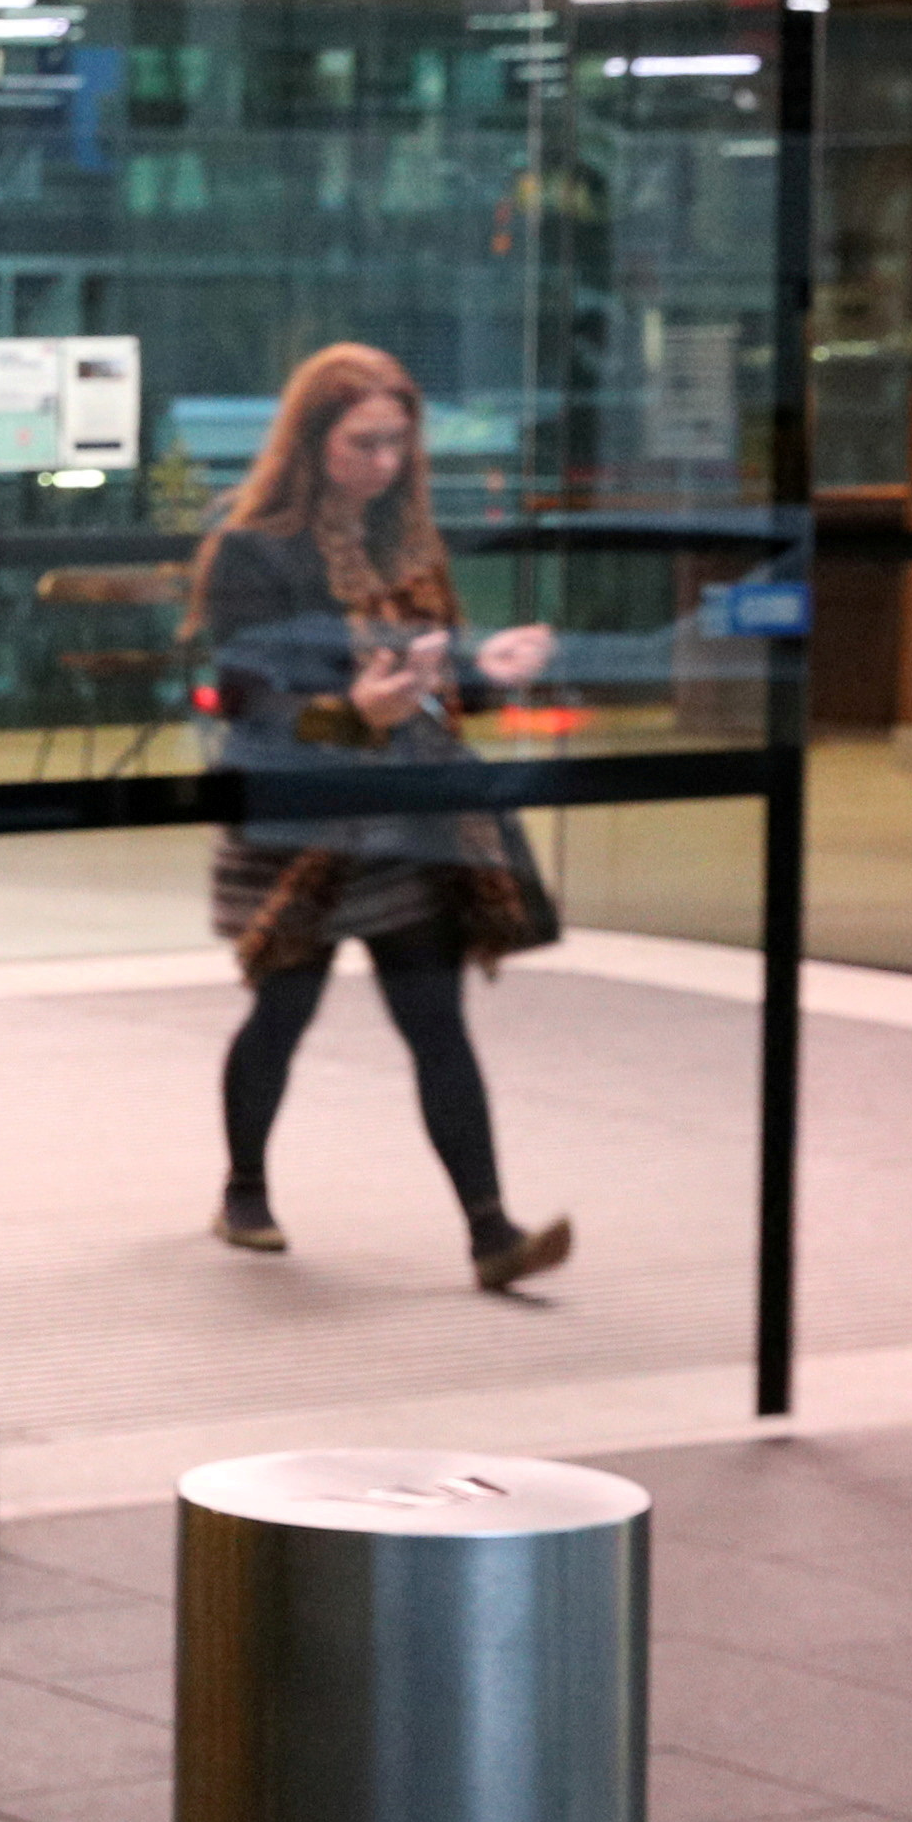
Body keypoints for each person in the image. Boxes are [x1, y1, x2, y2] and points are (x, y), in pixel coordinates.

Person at [189, 343, 574, 1290]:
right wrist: (350, 716)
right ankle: (244, 1187)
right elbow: (244, 703)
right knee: (284, 1009)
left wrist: (485, 673)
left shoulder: (408, 547)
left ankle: (491, 1232)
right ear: (314, 440)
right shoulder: (250, 547)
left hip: (399, 816)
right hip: (297, 820)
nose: (386, 464)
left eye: (399, 443)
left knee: (434, 1020)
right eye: (365, 443)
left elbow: (426, 691)